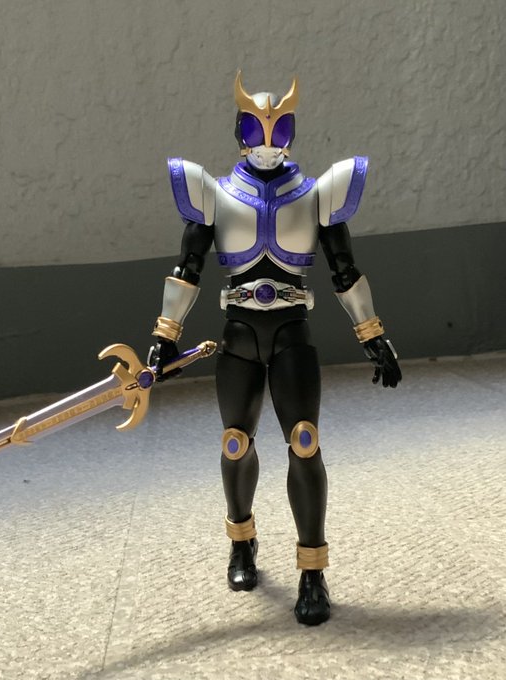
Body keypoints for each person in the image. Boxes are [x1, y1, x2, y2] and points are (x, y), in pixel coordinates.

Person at [149, 72, 401, 626]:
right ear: (239, 131)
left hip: (292, 336)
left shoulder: (317, 196)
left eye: (279, 128)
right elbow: (186, 270)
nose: (267, 141)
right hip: (238, 336)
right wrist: (164, 338)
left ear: (292, 131)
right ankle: (242, 542)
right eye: (255, 129)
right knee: (235, 442)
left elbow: (344, 271)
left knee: (304, 443)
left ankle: (313, 572)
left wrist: (373, 335)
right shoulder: (213, 194)